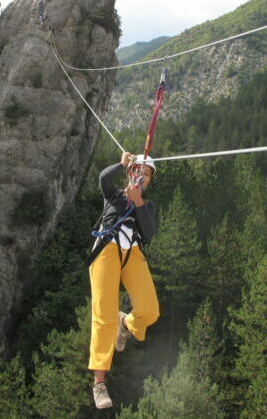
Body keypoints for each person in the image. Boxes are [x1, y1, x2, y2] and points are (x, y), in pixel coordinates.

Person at [87, 151, 159, 409]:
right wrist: (121, 163)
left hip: (133, 252)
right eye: (139, 171)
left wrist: (138, 203)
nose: (143, 176)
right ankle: (99, 383)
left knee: (150, 311)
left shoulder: (148, 206)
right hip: (106, 249)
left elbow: (149, 232)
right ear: (131, 173)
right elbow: (103, 179)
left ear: (149, 180)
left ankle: (126, 323)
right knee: (103, 316)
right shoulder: (115, 196)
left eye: (147, 174)